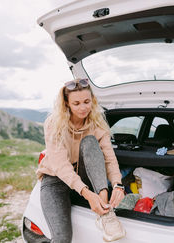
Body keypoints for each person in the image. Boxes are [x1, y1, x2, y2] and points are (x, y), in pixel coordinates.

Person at [36, 78, 126, 242]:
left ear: (92, 100)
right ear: (66, 103)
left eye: (87, 101)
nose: (83, 108)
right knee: (62, 238)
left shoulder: (97, 124)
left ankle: (106, 213)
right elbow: (61, 166)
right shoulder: (54, 124)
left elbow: (109, 158)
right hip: (56, 179)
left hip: (84, 176)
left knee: (90, 142)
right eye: (76, 103)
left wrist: (118, 185)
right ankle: (98, 204)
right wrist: (88, 195)